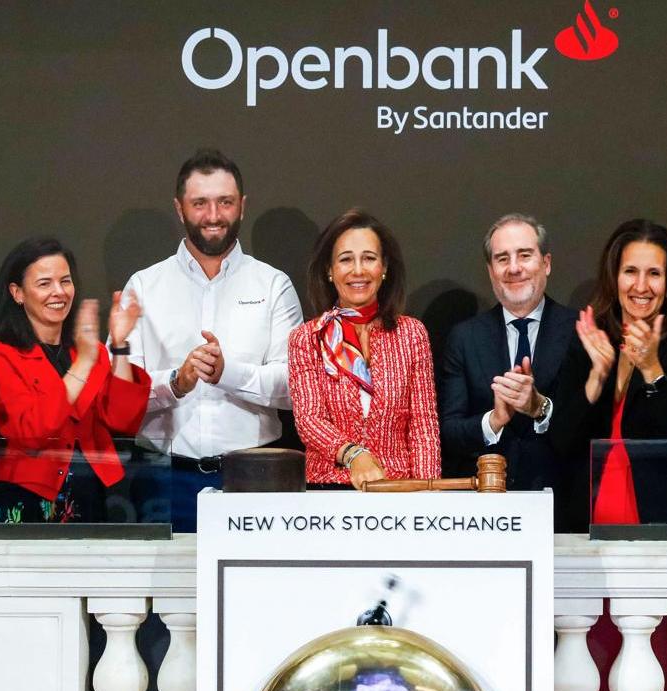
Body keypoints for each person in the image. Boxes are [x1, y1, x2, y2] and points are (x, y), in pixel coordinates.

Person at [124, 148, 303, 530]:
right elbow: (120, 391)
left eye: (225, 202)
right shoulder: (143, 286)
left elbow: (293, 386)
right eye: (200, 203)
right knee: (167, 591)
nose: (213, 216)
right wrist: (177, 382)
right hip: (162, 479)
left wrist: (227, 373)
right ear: (179, 207)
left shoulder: (273, 285)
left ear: (242, 206)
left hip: (255, 477)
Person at [0, 238, 151, 523]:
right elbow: (33, 432)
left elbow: (122, 421)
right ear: (18, 293)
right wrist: (82, 364)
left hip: (90, 494)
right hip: (27, 498)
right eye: (44, 283)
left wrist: (119, 346)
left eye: (65, 281)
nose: (59, 292)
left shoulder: (89, 350)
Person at [552, 219, 667, 525]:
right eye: (630, 272)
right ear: (614, 278)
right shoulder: (591, 339)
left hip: (662, 524)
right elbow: (562, 441)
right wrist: (596, 378)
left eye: (654, 274)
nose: (641, 286)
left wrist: (652, 369)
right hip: (585, 523)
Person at [437, 213, 583, 530]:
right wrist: (494, 420)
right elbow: (448, 433)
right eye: (502, 258)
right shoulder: (465, 338)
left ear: (546, 263)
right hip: (483, 518)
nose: (513, 267)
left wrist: (540, 408)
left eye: (524, 255)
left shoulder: (580, 332)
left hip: (564, 514)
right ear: (491, 271)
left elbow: (591, 429)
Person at [287, 209, 440, 489]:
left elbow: (423, 427)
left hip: (398, 491)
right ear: (329, 271)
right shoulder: (306, 338)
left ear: (384, 268)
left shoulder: (412, 334)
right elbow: (309, 420)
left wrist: (427, 492)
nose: (358, 270)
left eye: (369, 258)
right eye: (346, 260)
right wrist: (354, 455)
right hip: (329, 489)